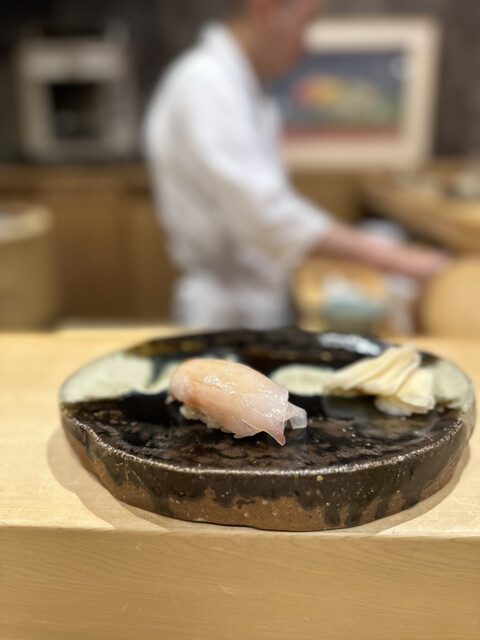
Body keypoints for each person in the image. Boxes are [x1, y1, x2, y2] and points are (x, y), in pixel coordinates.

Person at [144, 0, 447, 329]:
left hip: (255, 303)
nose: (306, 42)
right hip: (228, 314)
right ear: (268, 10)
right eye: (306, 22)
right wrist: (399, 259)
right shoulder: (206, 84)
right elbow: (265, 216)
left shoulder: (239, 84)